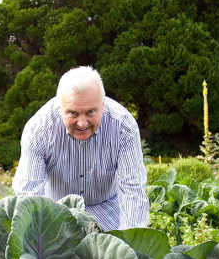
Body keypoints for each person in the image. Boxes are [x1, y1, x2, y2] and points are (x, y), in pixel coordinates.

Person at [13, 66, 149, 231]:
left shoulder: (123, 126)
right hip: (57, 215)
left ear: (103, 104)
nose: (82, 123)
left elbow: (133, 189)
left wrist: (132, 244)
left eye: (91, 112)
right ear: (59, 106)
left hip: (108, 211)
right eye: (73, 113)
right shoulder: (39, 129)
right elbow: (29, 193)